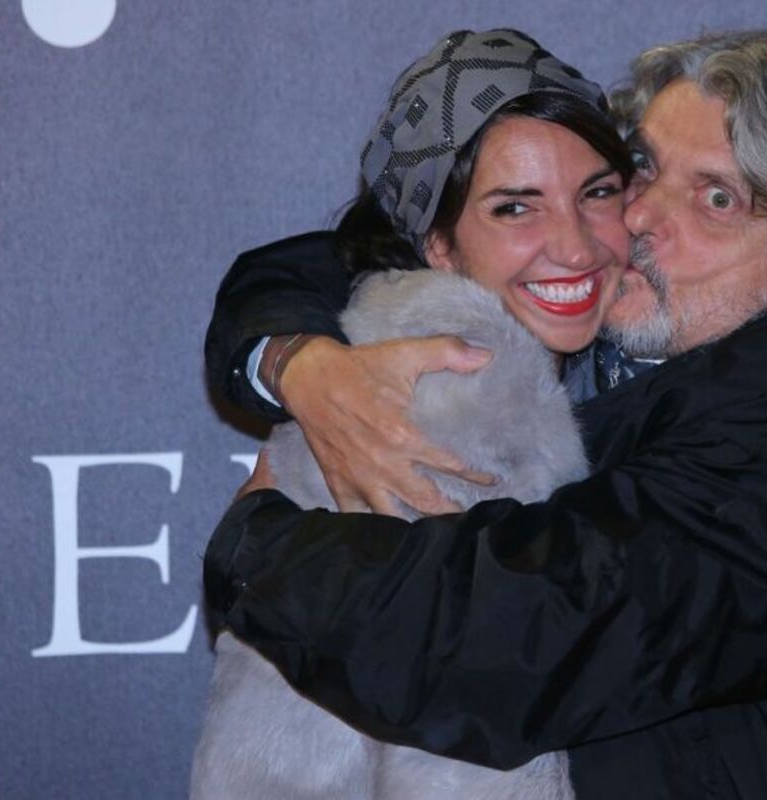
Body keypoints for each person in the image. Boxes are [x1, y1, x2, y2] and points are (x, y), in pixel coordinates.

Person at [205, 30, 767, 797]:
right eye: (643, 169)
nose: (638, 217)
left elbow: (503, 642)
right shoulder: (634, 341)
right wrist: (295, 361)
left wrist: (256, 549)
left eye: (717, 199)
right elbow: (320, 259)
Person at [192, 29, 631, 799]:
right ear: (437, 245)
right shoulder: (445, 388)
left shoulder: (658, 320)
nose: (574, 246)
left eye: (597, 193)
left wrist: (291, 360)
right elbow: (445, 736)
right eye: (515, 207)